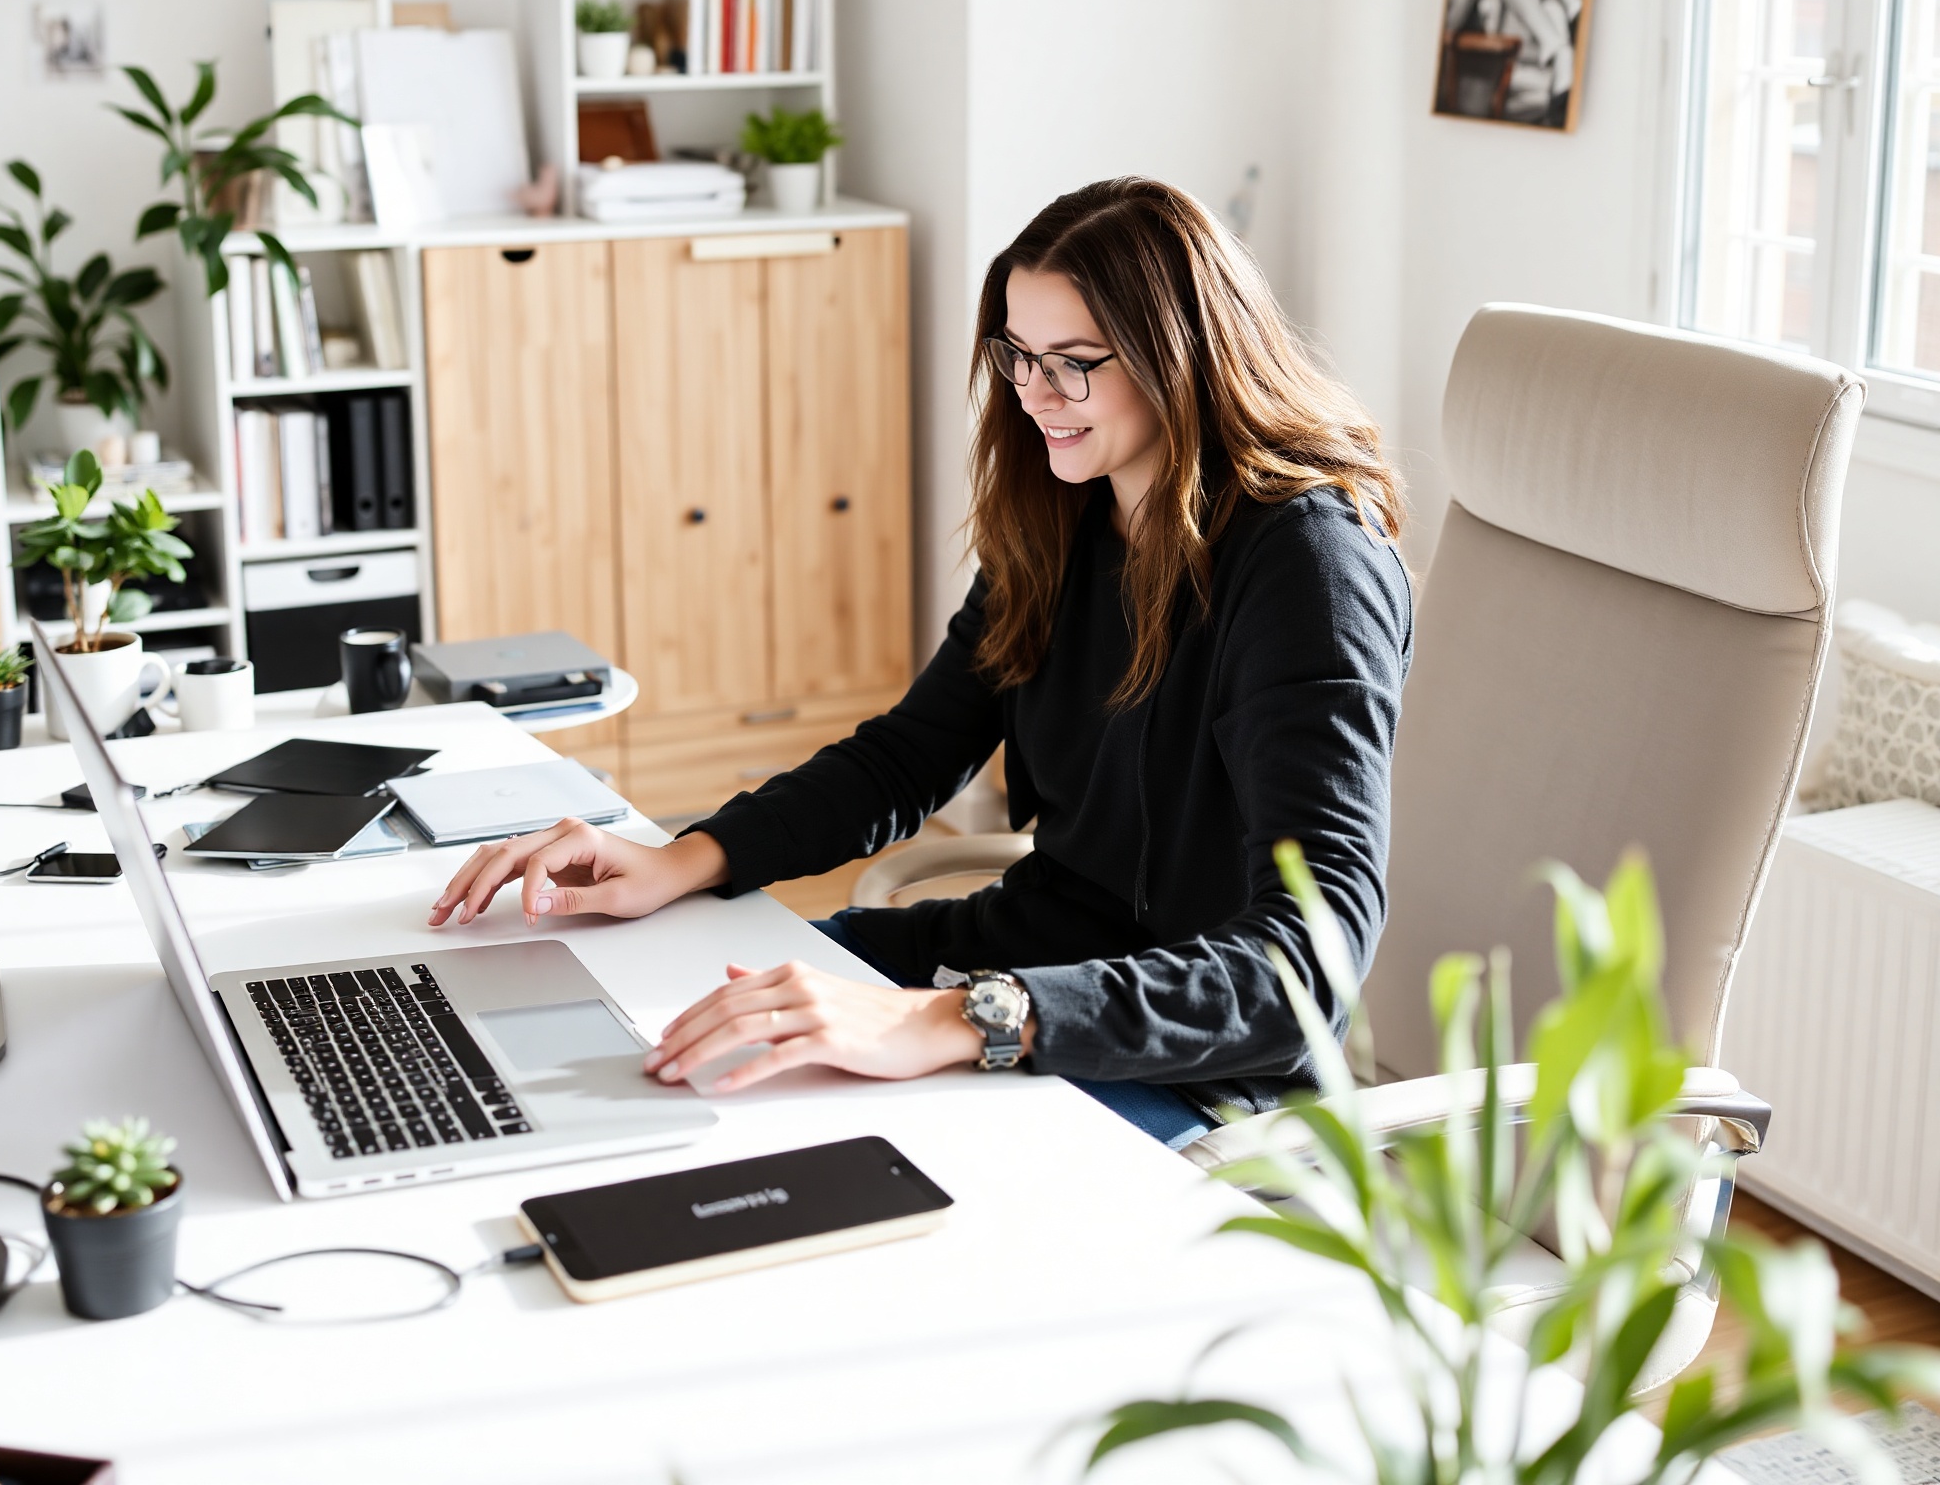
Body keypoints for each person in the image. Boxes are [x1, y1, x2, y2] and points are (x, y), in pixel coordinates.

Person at [431, 179, 1412, 1150]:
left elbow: (1303, 966)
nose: (1031, 394)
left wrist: (946, 1021)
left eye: (1071, 363)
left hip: (1175, 1057)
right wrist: (679, 859)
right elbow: (908, 755)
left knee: (769, 1136)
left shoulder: (1307, 566)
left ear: (1183, 357)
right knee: (648, 1018)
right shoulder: (1065, 513)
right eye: (1017, 354)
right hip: (1024, 963)